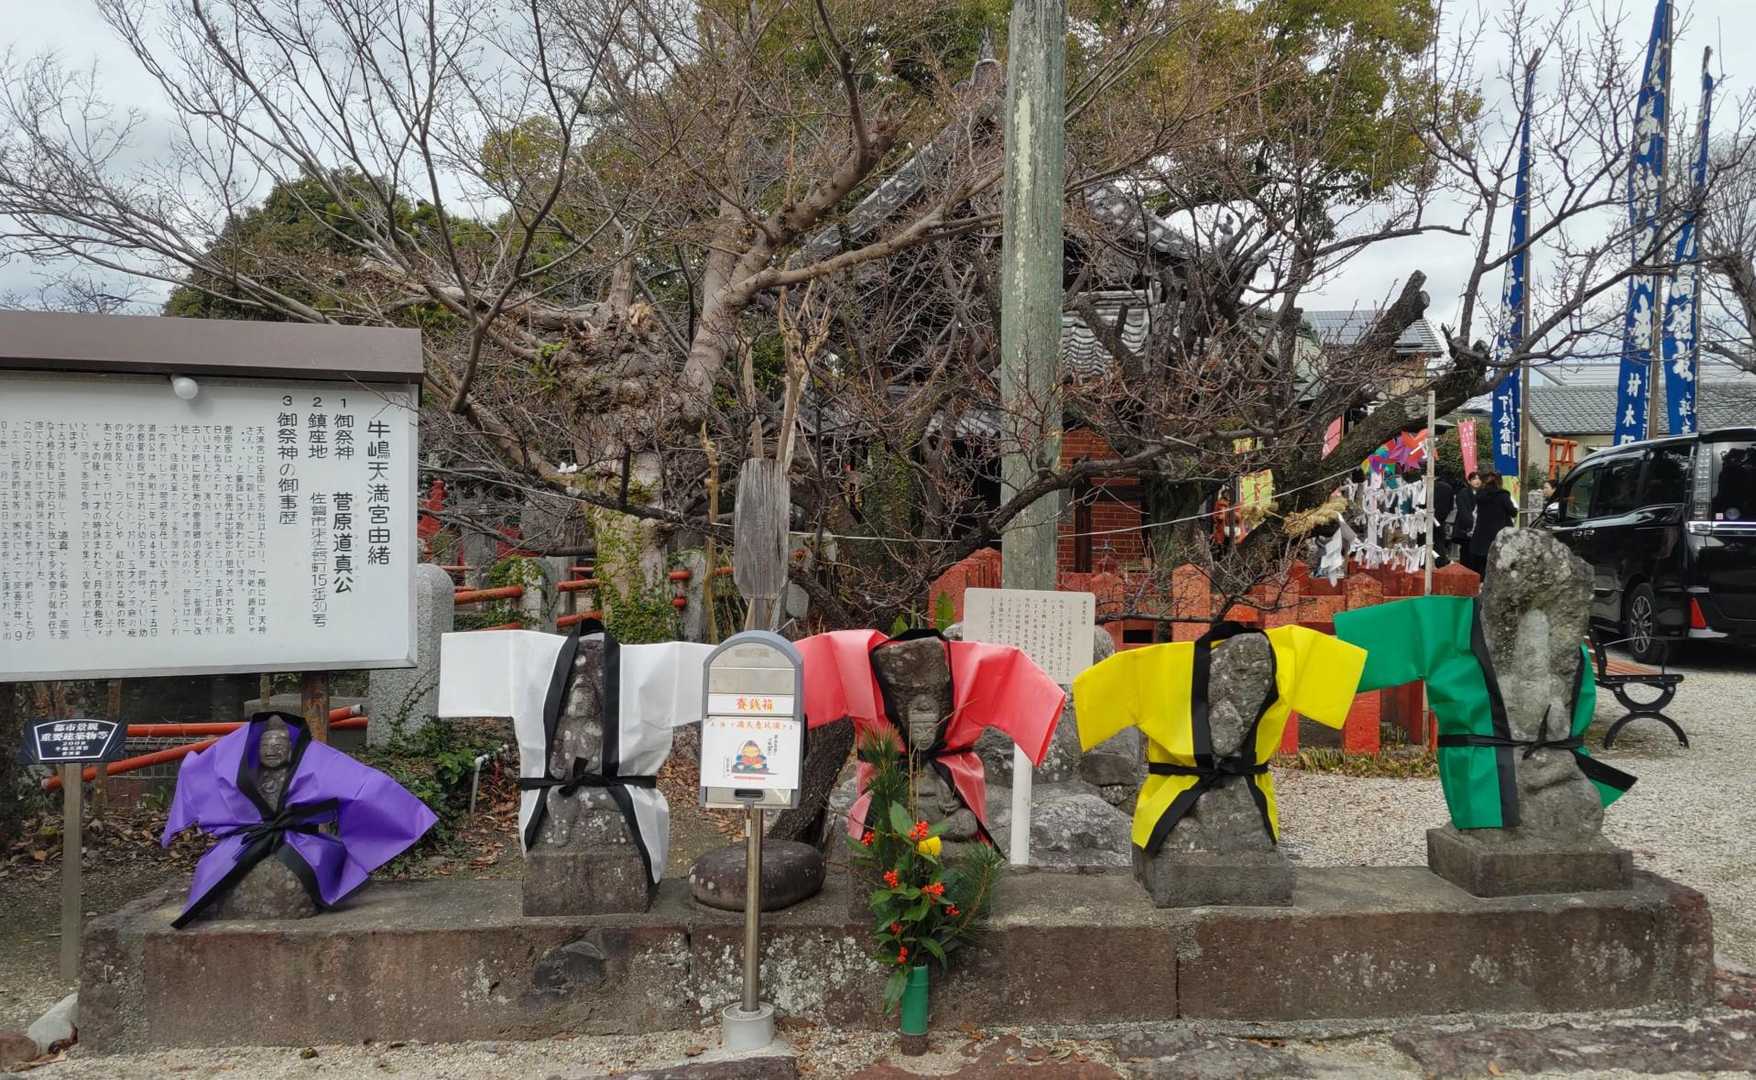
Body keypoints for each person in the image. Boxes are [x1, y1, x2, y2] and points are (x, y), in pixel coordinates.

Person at [1465, 471, 1518, 575]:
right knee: (1498, 565)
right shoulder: (1503, 495)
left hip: (1481, 534)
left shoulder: (1480, 495)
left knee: (1482, 564)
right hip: (1499, 534)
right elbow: (1513, 512)